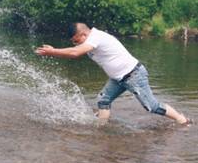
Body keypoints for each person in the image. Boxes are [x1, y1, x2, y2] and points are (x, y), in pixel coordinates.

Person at [35, 22, 191, 125]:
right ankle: (101, 128)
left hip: (133, 75)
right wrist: (54, 49)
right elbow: (75, 50)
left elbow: (75, 53)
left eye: (76, 40)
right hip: (118, 79)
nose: (75, 44)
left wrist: (52, 52)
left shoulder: (96, 37)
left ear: (83, 35)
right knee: (104, 99)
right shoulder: (90, 39)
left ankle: (182, 121)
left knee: (151, 106)